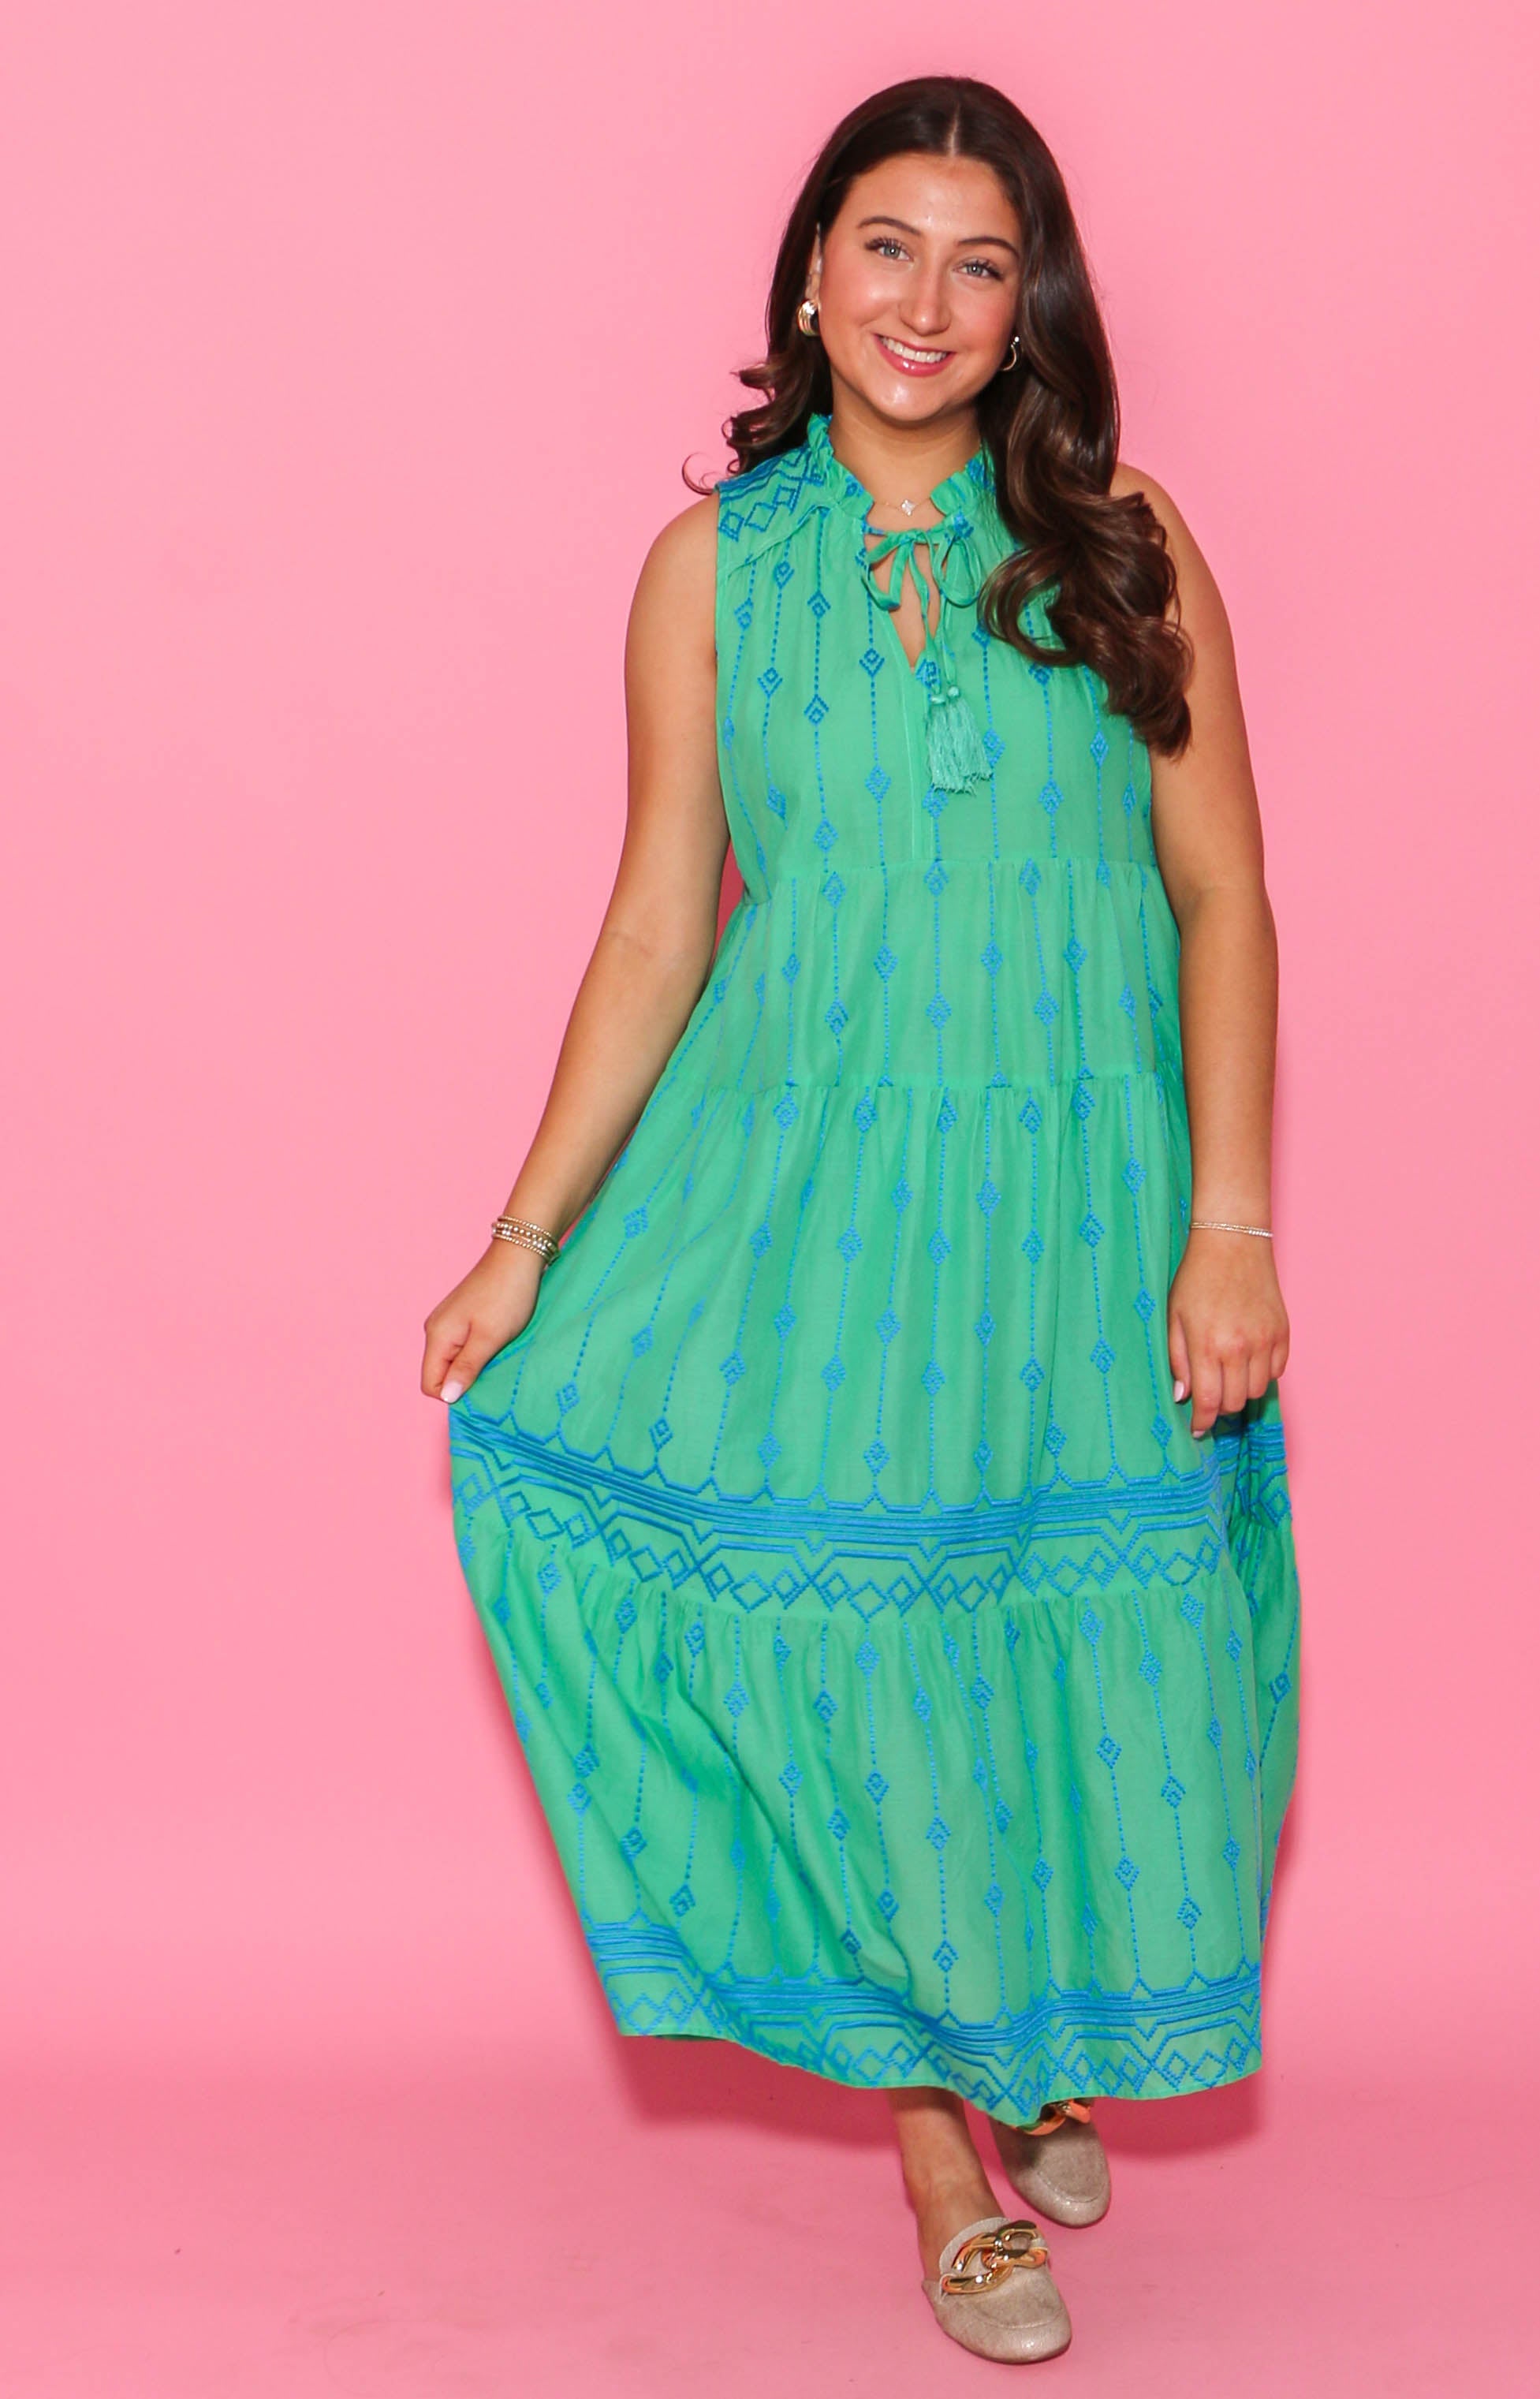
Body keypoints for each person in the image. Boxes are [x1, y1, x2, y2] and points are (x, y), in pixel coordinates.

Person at [420, 73, 1301, 2365]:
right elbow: (658, 922)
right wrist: (526, 1234)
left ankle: (1028, 2033)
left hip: (1082, 1202)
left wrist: (1228, 1222)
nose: (927, 301)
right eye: (886, 248)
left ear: (1031, 309)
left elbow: (1220, 891)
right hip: (810, 1196)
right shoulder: (713, 569)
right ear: (810, 278)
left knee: (1075, 1643)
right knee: (862, 1653)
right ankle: (938, 2155)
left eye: (980, 263)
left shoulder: (1128, 539)